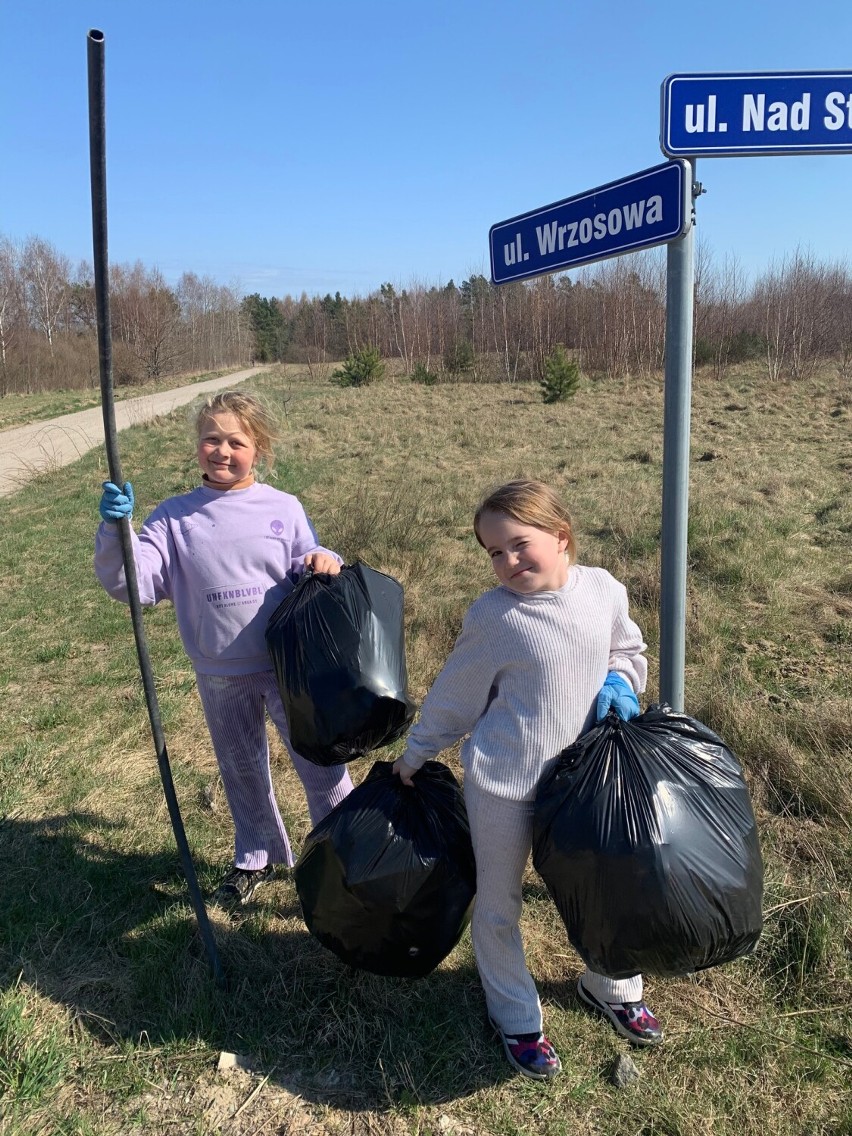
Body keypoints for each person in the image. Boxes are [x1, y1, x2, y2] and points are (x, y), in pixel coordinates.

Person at [392, 478, 661, 1082]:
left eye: (519, 545)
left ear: (561, 537)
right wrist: (415, 754)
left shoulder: (602, 590)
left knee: (606, 885)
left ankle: (611, 985)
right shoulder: (495, 615)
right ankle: (516, 1015)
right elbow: (457, 694)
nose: (507, 563)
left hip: (587, 784)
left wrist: (620, 682)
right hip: (505, 784)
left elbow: (626, 648)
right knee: (498, 901)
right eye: (492, 552)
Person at [95, 390, 353, 908]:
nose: (222, 450)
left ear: (258, 447)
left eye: (236, 441)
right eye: (211, 439)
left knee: (323, 765)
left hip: (291, 669)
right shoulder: (173, 518)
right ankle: (255, 855)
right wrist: (115, 529)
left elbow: (312, 557)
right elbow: (134, 583)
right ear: (197, 447)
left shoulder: (282, 506)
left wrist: (326, 557)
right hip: (220, 673)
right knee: (240, 767)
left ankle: (345, 854)